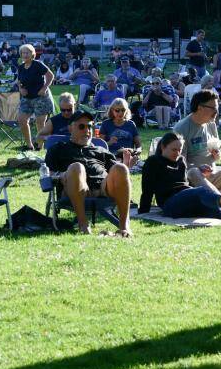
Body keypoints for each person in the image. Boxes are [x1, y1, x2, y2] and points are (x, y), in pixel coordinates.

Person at [45, 108, 133, 237]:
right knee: (77, 167)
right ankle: (83, 223)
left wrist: (126, 167)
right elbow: (47, 173)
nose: (87, 130)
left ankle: (124, 227)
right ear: (70, 128)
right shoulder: (58, 148)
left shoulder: (101, 150)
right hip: (73, 188)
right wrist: (61, 175)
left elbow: (117, 178)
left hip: (103, 189)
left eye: (90, 127)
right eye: (81, 126)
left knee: (120, 168)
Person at [138, 132, 221, 220]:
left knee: (207, 207)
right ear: (163, 147)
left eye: (180, 150)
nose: (177, 153)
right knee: (200, 192)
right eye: (174, 150)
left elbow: (185, 184)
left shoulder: (181, 161)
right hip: (170, 203)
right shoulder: (153, 162)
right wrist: (143, 212)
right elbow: (147, 190)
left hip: (186, 196)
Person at [173, 89, 221, 200]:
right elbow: (179, 164)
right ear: (200, 108)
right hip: (194, 178)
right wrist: (199, 168)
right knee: (194, 173)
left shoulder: (211, 125)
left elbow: (217, 156)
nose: (217, 112)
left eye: (217, 108)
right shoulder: (182, 128)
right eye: (214, 108)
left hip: (213, 175)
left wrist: (217, 154)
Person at [15, 43, 54, 151]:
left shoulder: (38, 64)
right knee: (22, 120)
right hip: (27, 98)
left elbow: (50, 76)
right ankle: (29, 145)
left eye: (27, 52)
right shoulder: (21, 67)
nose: (25, 54)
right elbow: (19, 81)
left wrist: (44, 88)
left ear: (32, 54)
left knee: (40, 122)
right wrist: (20, 89)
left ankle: (39, 146)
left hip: (40, 97)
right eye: (23, 53)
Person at [99, 98, 141, 167]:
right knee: (116, 160)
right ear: (112, 110)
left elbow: (139, 145)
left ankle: (127, 163)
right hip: (112, 154)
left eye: (123, 110)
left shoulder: (131, 124)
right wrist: (109, 142)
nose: (120, 113)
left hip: (128, 153)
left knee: (128, 157)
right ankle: (126, 165)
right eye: (117, 110)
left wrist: (137, 151)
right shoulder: (106, 124)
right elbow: (100, 146)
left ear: (126, 110)